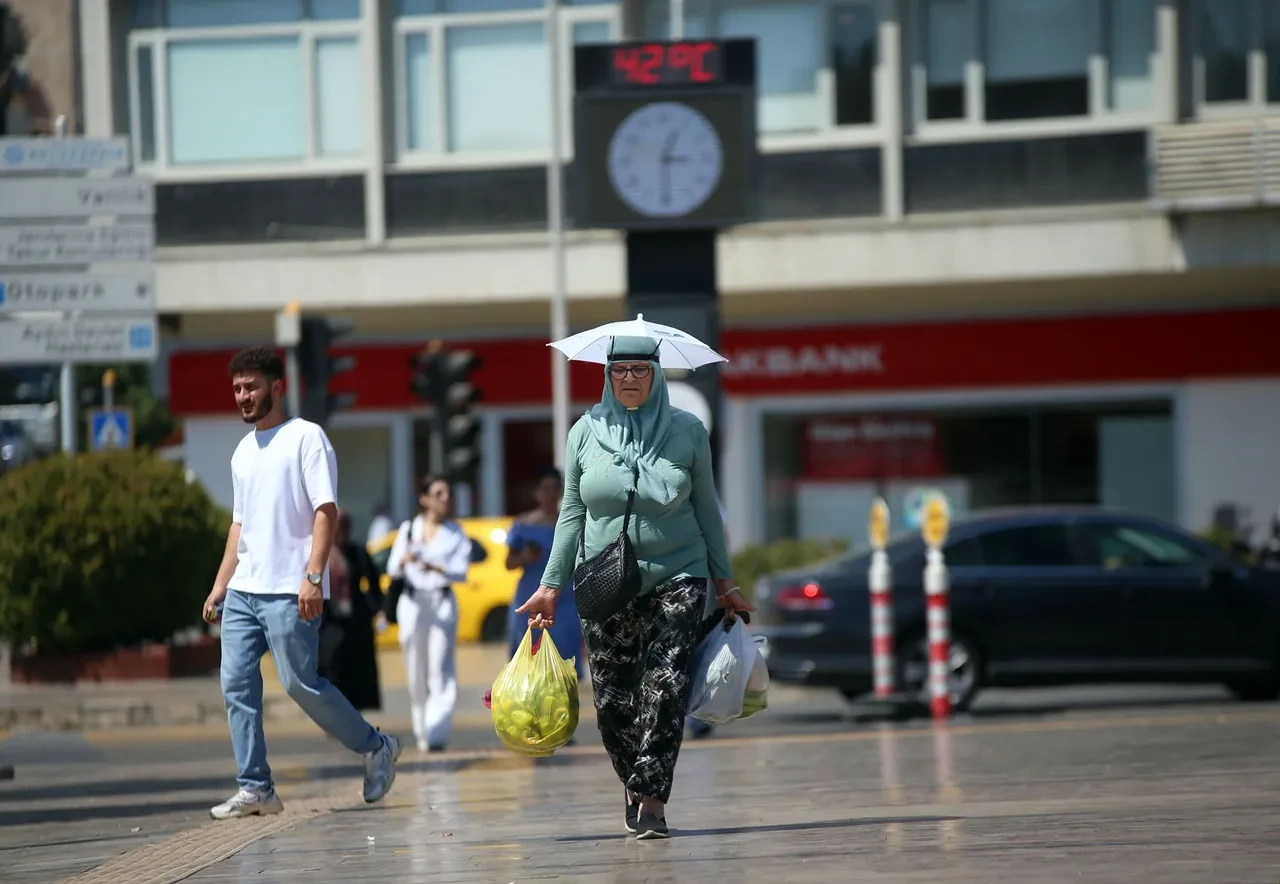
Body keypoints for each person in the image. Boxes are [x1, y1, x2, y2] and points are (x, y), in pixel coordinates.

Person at [517, 335, 754, 841]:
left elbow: (707, 509)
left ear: (657, 374)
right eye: (619, 368)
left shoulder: (687, 431)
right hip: (606, 579)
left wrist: (726, 583)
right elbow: (571, 514)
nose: (629, 378)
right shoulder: (585, 432)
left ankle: (651, 799)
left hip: (679, 573)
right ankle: (633, 778)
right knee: (613, 701)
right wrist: (550, 586)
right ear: (607, 374)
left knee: (666, 681)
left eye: (639, 369)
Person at [202, 347, 401, 820]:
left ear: (277, 386)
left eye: (251, 386)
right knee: (235, 683)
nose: (243, 396)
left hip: (292, 590)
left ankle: (377, 747)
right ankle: (256, 788)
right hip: (245, 590)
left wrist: (313, 577)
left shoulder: (306, 438)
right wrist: (219, 586)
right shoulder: (242, 452)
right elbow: (239, 526)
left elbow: (324, 511)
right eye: (237, 389)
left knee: (300, 684)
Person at [385, 475, 472, 752]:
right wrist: (405, 559)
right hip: (413, 603)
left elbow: (461, 572)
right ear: (424, 498)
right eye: (438, 493)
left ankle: (437, 731)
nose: (445, 498)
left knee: (439, 667)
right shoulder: (409, 529)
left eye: (447, 493)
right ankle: (422, 729)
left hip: (441, 602)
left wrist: (431, 565)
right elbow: (392, 569)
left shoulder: (456, 533)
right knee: (415, 668)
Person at [505, 467, 584, 679]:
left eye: (554, 488)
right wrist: (525, 557)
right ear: (536, 492)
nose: (550, 493)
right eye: (545, 488)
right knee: (529, 666)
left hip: (565, 601)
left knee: (564, 667)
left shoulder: (572, 523)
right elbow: (509, 563)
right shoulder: (523, 524)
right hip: (530, 597)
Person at [317, 509, 383, 711]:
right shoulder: (320, 553)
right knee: (331, 667)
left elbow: (373, 583)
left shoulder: (357, 552)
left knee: (357, 670)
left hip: (356, 622)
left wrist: (374, 609)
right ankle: (334, 714)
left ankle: (354, 717)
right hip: (329, 623)